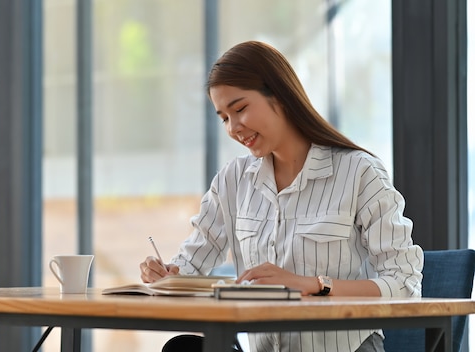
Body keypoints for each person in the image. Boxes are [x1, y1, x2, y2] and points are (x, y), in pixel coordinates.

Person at [139, 40, 423, 352]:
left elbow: (405, 285)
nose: (233, 128)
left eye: (240, 109)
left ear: (280, 96)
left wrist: (314, 285)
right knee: (183, 348)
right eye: (224, 118)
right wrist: (167, 276)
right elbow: (190, 267)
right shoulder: (232, 181)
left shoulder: (359, 173)